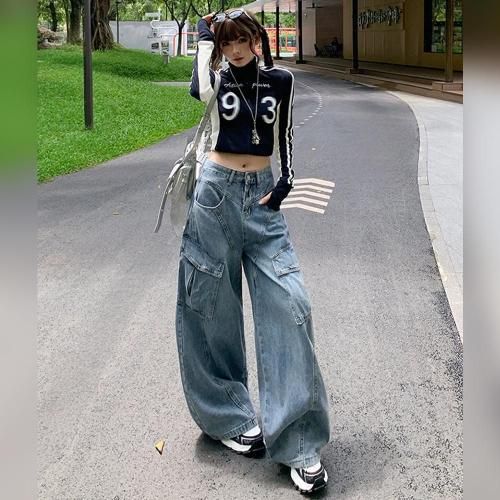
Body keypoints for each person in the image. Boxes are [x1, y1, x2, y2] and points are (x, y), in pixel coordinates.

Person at [175, 8, 331, 494]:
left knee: (290, 303)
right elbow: (201, 87)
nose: (236, 50)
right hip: (215, 194)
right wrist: (204, 35)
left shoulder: (281, 81)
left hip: (263, 200)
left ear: (257, 39)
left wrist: (287, 179)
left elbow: (285, 133)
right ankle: (227, 416)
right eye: (227, 43)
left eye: (241, 40)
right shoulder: (218, 79)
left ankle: (300, 442)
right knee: (210, 308)